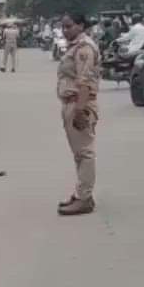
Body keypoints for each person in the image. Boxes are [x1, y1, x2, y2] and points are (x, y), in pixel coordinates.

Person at [56, 13, 101, 216]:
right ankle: (82, 193)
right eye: (63, 27)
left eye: (69, 26)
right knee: (79, 154)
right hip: (71, 103)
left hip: (79, 103)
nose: (65, 30)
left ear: (81, 25)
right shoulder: (74, 46)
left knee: (84, 152)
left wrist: (80, 111)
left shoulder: (84, 48)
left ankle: (84, 198)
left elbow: (85, 82)